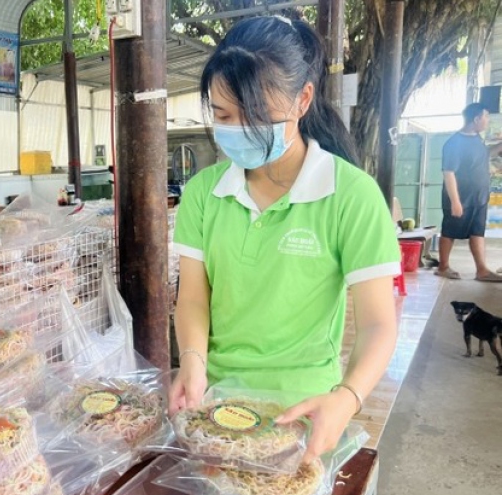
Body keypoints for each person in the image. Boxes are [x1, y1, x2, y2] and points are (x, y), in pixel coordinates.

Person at [169, 16, 400, 464]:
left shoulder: (350, 195)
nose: (239, 129)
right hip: (216, 405)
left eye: (256, 115)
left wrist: (347, 398)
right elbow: (193, 299)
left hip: (306, 410)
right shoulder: (202, 194)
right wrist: (192, 362)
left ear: (303, 100)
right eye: (222, 115)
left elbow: (378, 323)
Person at [434, 103, 502, 282]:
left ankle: (482, 270)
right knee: (450, 231)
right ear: (476, 119)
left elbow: (484, 155)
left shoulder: (477, 139)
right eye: (486, 117)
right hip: (461, 197)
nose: (488, 121)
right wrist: (455, 201)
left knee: (477, 232)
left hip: (479, 197)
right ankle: (443, 267)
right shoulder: (455, 143)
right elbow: (448, 172)